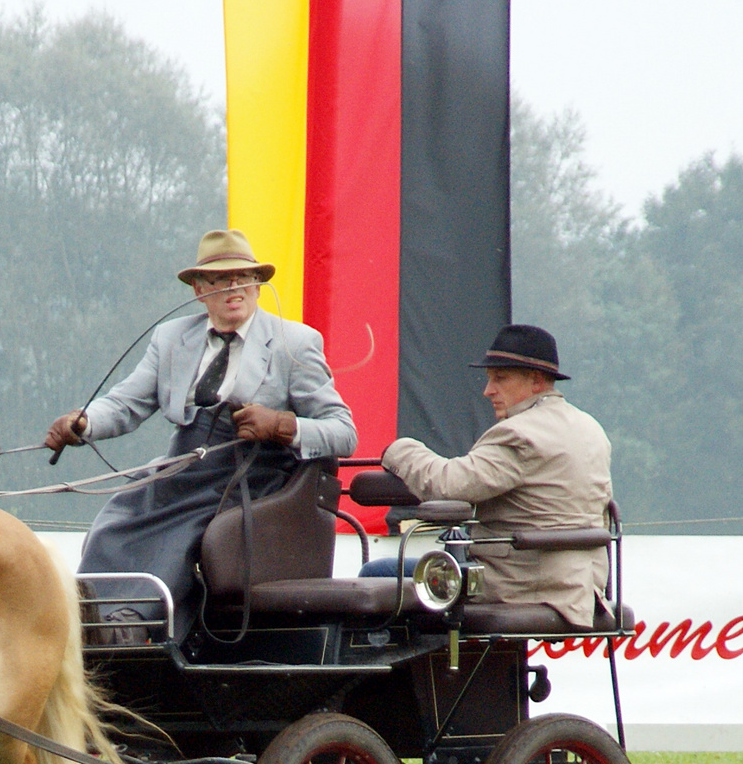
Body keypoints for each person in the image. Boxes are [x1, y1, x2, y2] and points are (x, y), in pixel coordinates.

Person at [45, 229, 357, 642]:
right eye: (219, 280)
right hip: (184, 466)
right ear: (198, 289)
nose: (234, 288)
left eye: (243, 278)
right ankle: (94, 617)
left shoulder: (295, 343)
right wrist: (84, 423)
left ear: (258, 285)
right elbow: (127, 403)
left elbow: (343, 431)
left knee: (187, 529)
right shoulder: (172, 338)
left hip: (254, 476)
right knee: (116, 518)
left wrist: (281, 425)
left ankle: (138, 622)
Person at [380, 324, 612, 628]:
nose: (487, 390)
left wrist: (400, 450)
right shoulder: (590, 428)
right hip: (583, 586)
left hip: (520, 584)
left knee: (381, 573)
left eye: (500, 379)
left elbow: (448, 485)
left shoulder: (519, 433)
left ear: (537, 381)